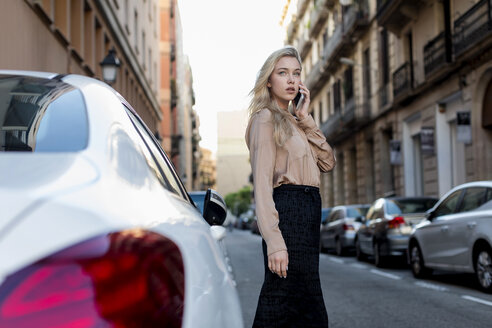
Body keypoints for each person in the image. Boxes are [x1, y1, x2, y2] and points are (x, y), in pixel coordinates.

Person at [245, 46, 336, 328]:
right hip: (288, 214)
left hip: (307, 215)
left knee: (300, 300)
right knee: (282, 300)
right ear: (268, 80)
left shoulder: (295, 122)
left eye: (296, 73)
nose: (291, 80)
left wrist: (305, 118)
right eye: (282, 73)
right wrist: (274, 242)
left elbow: (327, 162)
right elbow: (261, 184)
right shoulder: (265, 119)